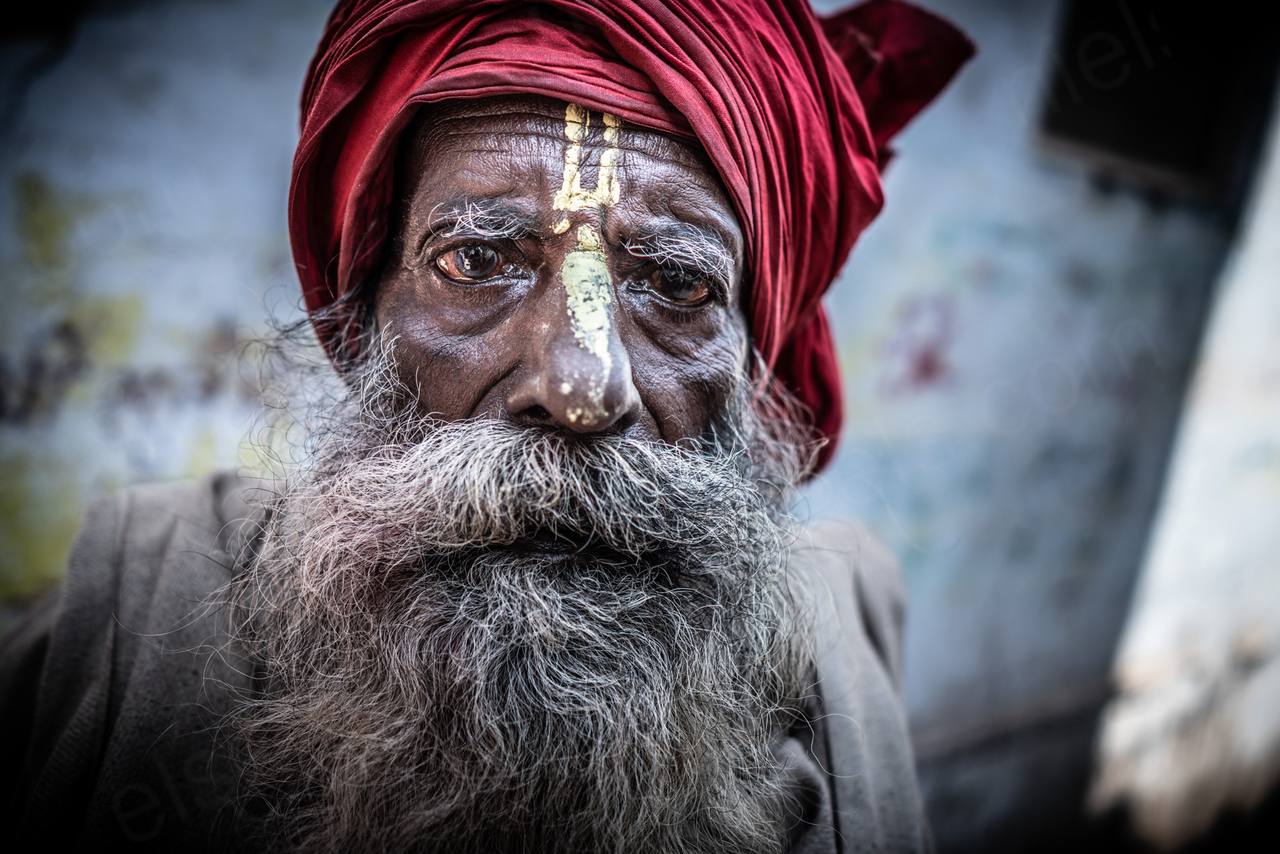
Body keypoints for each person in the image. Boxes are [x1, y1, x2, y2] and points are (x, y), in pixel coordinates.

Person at [0, 1, 971, 851]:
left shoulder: (843, 623)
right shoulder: (130, 616)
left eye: (677, 284)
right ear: (367, 314)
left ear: (754, 360)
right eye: (476, 262)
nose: (583, 390)